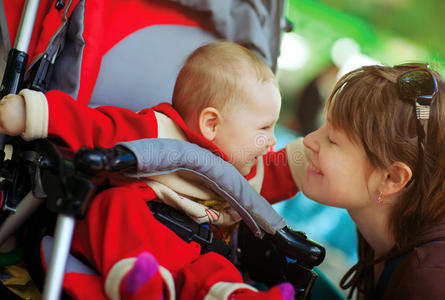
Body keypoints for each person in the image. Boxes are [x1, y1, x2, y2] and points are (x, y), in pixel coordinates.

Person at [0, 41, 302, 300]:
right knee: (117, 205)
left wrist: (314, 153)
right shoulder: (155, 132)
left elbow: (283, 173)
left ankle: (235, 295)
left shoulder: (245, 172)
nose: (272, 141)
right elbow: (94, 126)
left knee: (215, 265)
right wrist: (32, 112)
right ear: (212, 124)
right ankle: (140, 282)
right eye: (264, 128)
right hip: (133, 235)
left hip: (189, 253)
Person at [299, 64, 445, 299]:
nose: (308, 140)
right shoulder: (380, 224)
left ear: (391, 178)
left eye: (331, 139)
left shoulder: (429, 283)